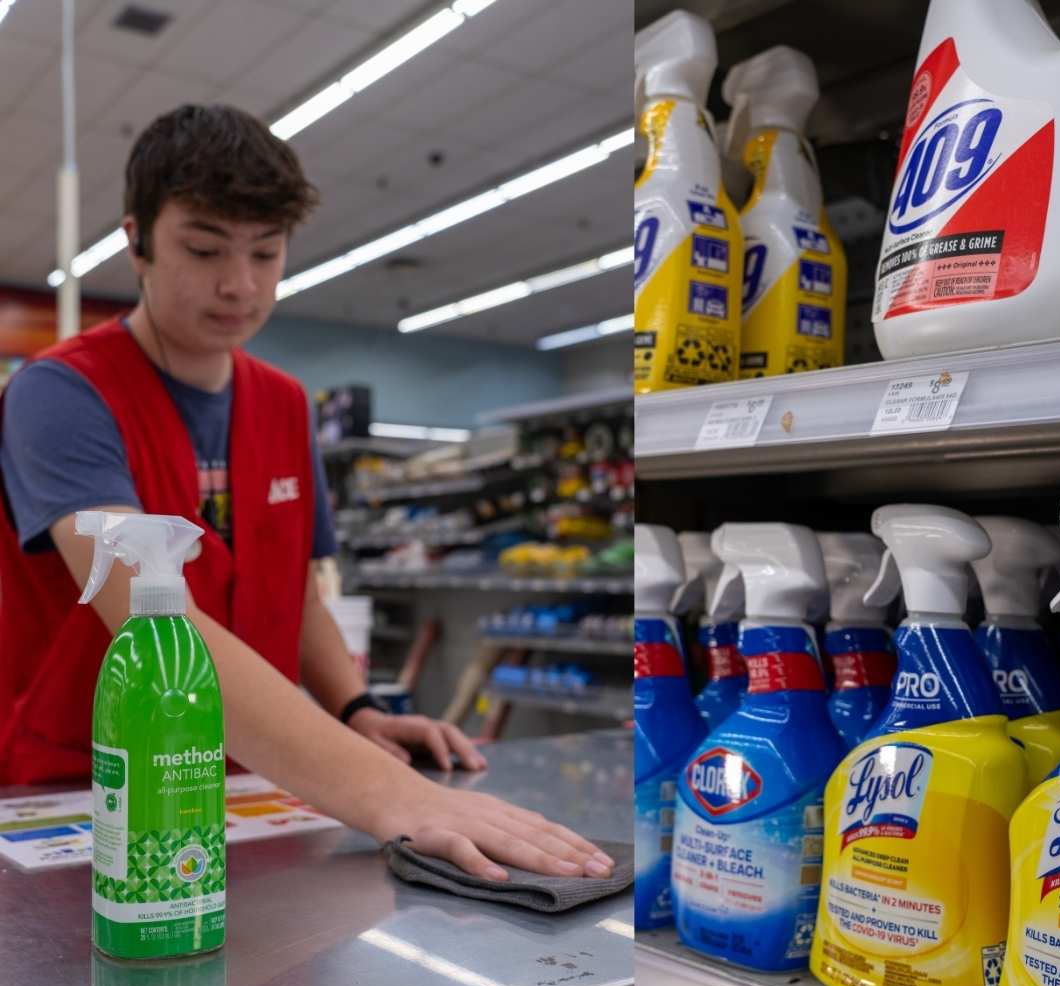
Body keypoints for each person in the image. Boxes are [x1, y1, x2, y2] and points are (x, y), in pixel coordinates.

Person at [0, 104, 610, 882]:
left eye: (266, 252)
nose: (239, 284)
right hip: (82, 792)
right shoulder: (60, 394)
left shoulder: (286, 404)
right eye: (204, 248)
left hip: (250, 784)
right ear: (137, 241)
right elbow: (155, 624)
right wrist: (397, 797)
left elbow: (298, 597)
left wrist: (359, 711)